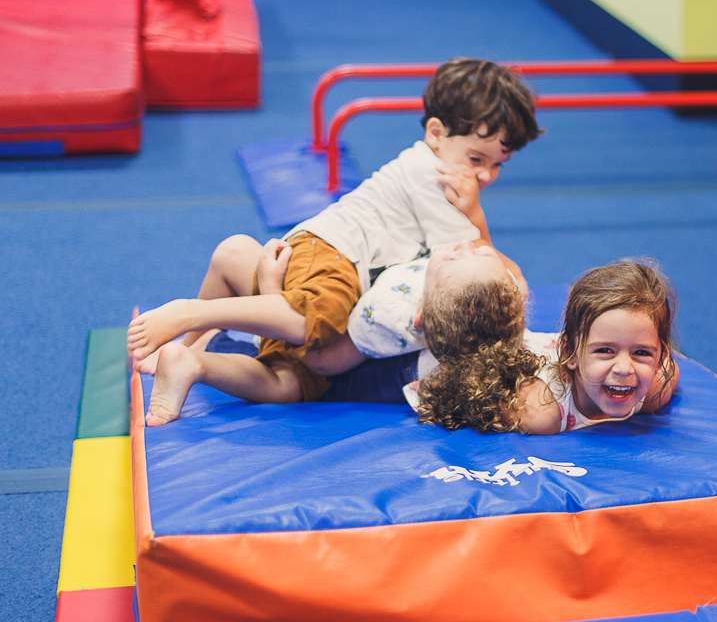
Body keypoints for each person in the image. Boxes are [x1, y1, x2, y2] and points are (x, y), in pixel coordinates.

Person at [129, 57, 540, 425]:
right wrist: (474, 214)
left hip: (314, 250)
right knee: (311, 322)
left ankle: (186, 351)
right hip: (335, 256)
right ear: (436, 133)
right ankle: (189, 316)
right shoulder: (438, 179)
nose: (484, 175)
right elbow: (490, 268)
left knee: (283, 363)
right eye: (476, 159)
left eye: (497, 165)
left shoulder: (431, 164)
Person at [416, 260, 680, 434]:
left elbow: (670, 369)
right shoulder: (541, 409)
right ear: (570, 354)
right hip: (465, 352)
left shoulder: (657, 387)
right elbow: (465, 391)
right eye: (605, 351)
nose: (624, 369)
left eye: (642, 353)